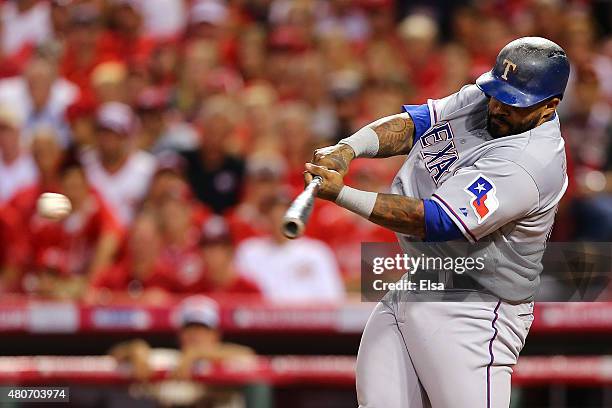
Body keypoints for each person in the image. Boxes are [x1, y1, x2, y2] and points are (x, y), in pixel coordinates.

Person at [305, 37, 570, 407]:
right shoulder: (485, 99)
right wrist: (348, 148)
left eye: (512, 102)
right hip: (418, 282)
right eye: (497, 93)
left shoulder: (531, 162)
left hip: (474, 310)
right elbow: (418, 123)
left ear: (550, 106)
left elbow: (437, 220)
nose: (497, 106)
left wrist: (341, 194)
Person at [235, 192, 344, 303]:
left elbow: (333, 298)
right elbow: (240, 296)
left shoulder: (316, 252)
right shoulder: (249, 251)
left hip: (307, 317)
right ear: (264, 218)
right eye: (273, 216)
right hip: (263, 317)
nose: (278, 220)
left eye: (284, 214)